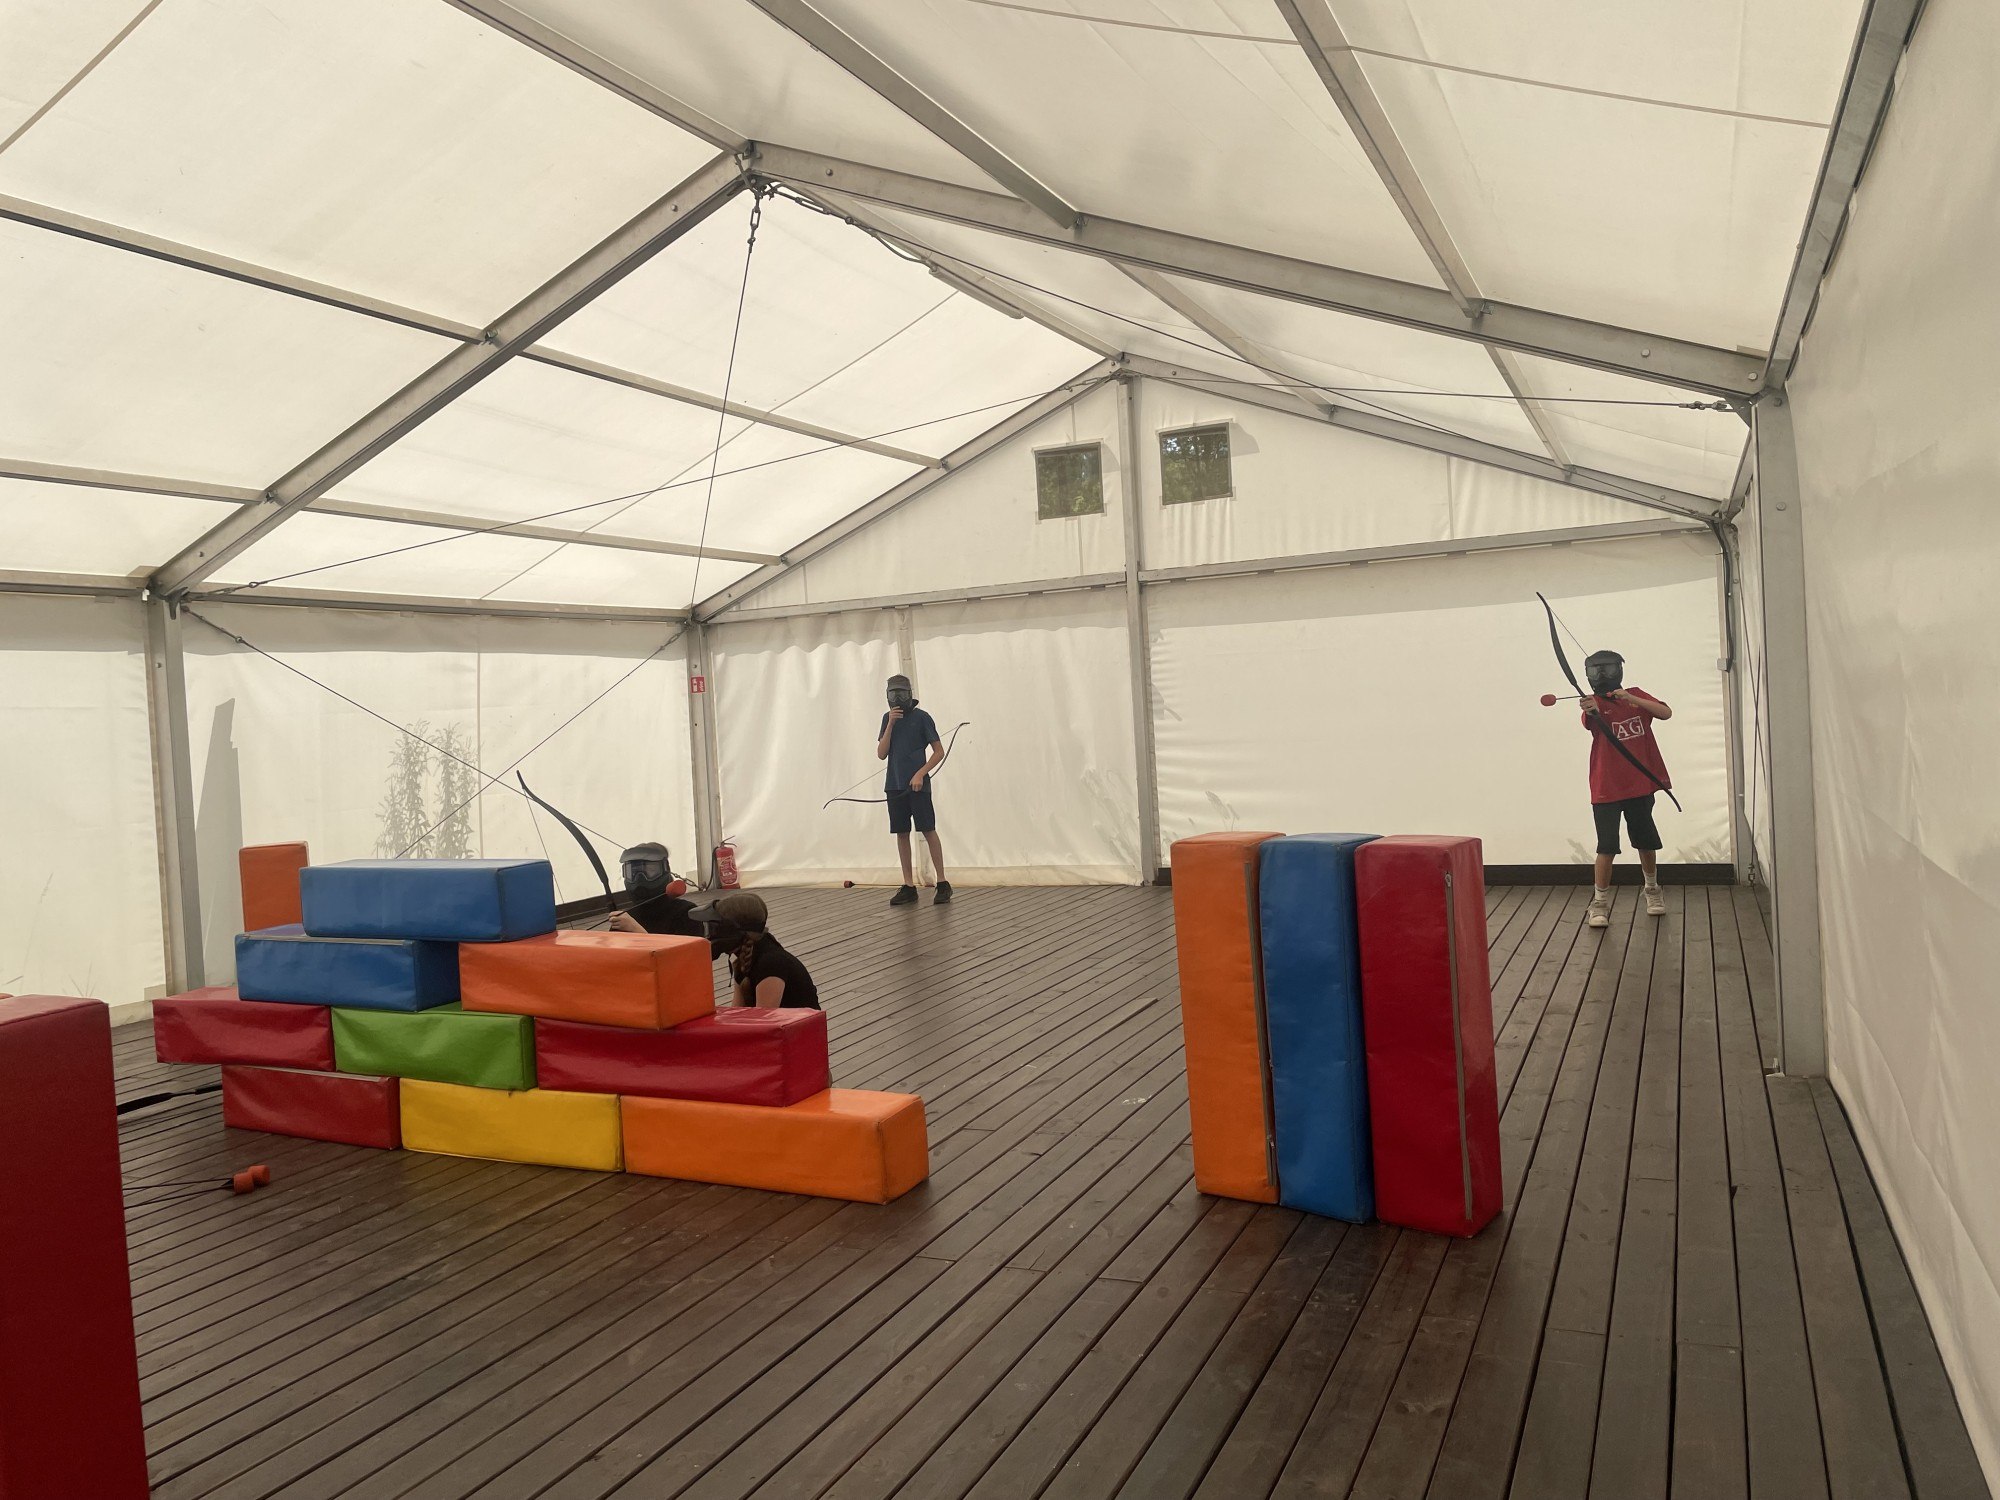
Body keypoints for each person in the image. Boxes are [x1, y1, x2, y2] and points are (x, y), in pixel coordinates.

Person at [1577, 649, 1674, 928]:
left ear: (1619, 669)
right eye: (1595, 671)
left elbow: (1665, 713)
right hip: (1606, 786)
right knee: (1606, 846)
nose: (1602, 675)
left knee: (1646, 840)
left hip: (1639, 784)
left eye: (1607, 669)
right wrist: (1591, 708)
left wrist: (1632, 699)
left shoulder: (1635, 695)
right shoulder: (1593, 703)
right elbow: (1590, 719)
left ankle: (1652, 890)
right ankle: (1599, 903)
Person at [877, 673, 951, 907]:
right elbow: (881, 753)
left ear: (910, 694)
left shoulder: (922, 718)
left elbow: (938, 751)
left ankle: (942, 882)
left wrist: (921, 773)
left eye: (901, 693)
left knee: (928, 829)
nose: (897, 698)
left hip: (919, 786)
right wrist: (890, 724)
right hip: (895, 785)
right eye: (893, 694)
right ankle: (908, 885)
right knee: (901, 833)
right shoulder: (887, 719)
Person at [691, 892, 821, 1009]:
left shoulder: (770, 963)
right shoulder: (746, 956)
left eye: (712, 928)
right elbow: (736, 1013)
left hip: (797, 1028)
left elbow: (764, 1021)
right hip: (778, 1027)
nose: (708, 935)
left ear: (731, 930)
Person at [607, 842, 703, 937]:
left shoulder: (686, 913)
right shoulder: (625, 918)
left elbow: (688, 947)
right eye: (633, 873)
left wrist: (636, 930)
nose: (640, 878)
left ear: (665, 870)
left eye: (650, 871)